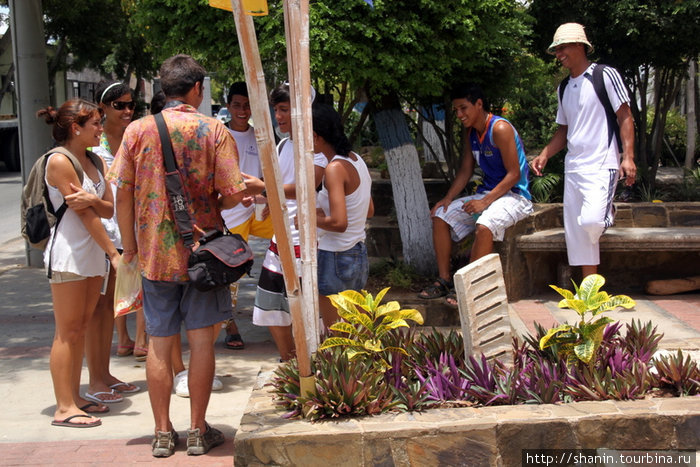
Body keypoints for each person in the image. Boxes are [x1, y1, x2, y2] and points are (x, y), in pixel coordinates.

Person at [109, 54, 264, 457]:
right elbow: (232, 194)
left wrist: (129, 245)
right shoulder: (214, 130)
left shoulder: (136, 131)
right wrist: (232, 192)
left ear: (164, 88)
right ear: (197, 89)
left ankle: (162, 433)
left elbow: (121, 192)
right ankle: (197, 430)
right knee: (201, 345)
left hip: (155, 256)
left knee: (160, 344)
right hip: (204, 258)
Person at [37, 99, 121, 428]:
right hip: (69, 255)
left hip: (91, 254)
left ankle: (75, 398)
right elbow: (86, 215)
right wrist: (113, 254)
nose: (101, 129)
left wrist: (93, 201)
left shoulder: (96, 160)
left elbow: (108, 210)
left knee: (81, 329)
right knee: (68, 331)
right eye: (96, 124)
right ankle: (64, 406)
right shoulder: (60, 161)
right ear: (76, 128)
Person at [530, 23, 636, 278]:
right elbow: (564, 131)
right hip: (574, 167)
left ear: (580, 45)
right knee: (578, 236)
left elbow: (625, 116)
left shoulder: (604, 75)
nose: (558, 53)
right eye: (556, 49)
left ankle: (607, 212)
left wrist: (628, 157)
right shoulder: (564, 87)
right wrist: (545, 154)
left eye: (563, 47)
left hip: (602, 163)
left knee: (591, 221)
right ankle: (591, 291)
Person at [418, 84, 533, 307]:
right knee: (440, 215)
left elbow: (514, 175)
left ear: (479, 104)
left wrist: (484, 202)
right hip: (488, 194)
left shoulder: (499, 128)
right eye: (456, 110)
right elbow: (465, 170)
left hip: (515, 196)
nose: (460, 115)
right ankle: (443, 280)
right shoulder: (471, 132)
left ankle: (470, 288)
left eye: (463, 108)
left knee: (484, 225)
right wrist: (448, 198)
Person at [252, 82, 327, 361]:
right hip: (280, 239)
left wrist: (264, 188)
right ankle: (289, 361)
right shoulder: (284, 144)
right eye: (276, 109)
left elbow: (309, 185)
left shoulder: (315, 147)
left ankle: (310, 363)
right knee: (271, 306)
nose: (279, 116)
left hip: (305, 241)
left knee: (308, 310)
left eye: (285, 109)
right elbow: (285, 187)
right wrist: (269, 200)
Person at [80, 81, 142, 411]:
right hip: (101, 240)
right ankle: (94, 381)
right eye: (119, 105)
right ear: (102, 109)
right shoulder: (93, 147)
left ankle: (104, 373)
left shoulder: (134, 140)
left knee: (110, 308)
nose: (127, 110)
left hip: (126, 236)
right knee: (96, 310)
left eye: (131, 104)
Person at [220, 81, 273, 350]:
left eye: (247, 105)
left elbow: (269, 173)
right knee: (231, 273)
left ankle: (284, 311)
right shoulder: (220, 135)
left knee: (288, 238)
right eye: (237, 105)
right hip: (231, 214)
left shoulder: (260, 135)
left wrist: (263, 193)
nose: (242, 110)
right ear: (228, 106)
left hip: (259, 210)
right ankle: (230, 325)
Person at [311, 102, 374, 326]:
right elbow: (368, 209)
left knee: (336, 335)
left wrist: (309, 219)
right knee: (354, 331)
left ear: (316, 136)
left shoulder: (334, 169)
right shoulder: (356, 160)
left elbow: (339, 222)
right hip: (357, 253)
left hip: (335, 256)